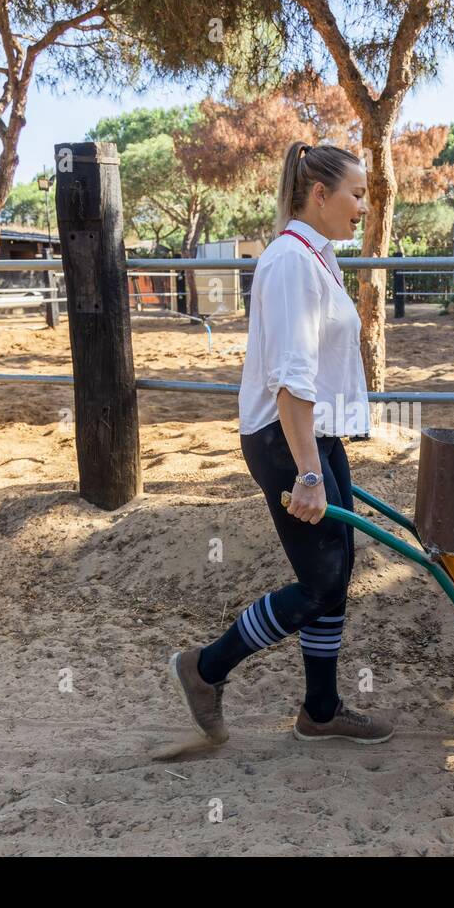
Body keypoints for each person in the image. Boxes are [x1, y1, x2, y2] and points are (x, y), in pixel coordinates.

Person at [168, 140, 393, 746]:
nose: (363, 207)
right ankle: (206, 668)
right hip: (286, 438)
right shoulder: (292, 262)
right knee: (319, 583)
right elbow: (292, 379)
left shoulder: (316, 258)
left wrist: (322, 458)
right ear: (319, 194)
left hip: (315, 434)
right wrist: (309, 473)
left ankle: (321, 711)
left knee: (336, 573)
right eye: (356, 193)